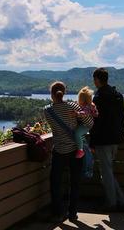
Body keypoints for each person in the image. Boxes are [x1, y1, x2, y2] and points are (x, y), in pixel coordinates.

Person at [44, 81, 93, 222]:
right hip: (76, 151)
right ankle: (72, 213)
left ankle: (57, 212)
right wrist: (78, 119)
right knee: (75, 182)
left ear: (52, 94)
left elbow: (55, 128)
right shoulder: (73, 106)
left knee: (55, 182)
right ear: (64, 93)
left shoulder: (47, 110)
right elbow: (90, 123)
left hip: (59, 151)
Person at [90, 67, 124, 212]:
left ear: (97, 80)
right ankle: (121, 201)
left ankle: (111, 204)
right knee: (108, 171)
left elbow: (96, 122)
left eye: (94, 79)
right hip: (116, 138)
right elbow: (123, 118)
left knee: (106, 173)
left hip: (103, 140)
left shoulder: (99, 97)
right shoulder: (117, 95)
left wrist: (92, 141)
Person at [74, 86, 98, 158]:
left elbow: (85, 113)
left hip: (86, 125)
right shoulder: (87, 105)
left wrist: (77, 114)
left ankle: (80, 150)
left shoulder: (88, 106)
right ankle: (82, 145)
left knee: (77, 133)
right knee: (79, 134)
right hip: (84, 124)